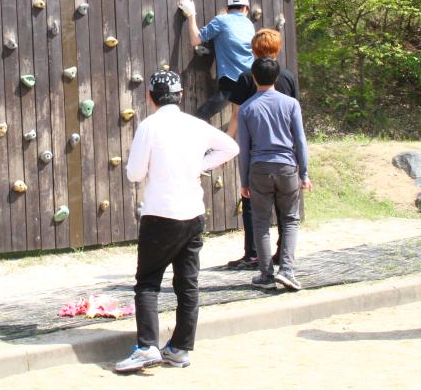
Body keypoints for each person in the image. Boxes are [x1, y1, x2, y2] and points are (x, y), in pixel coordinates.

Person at [115, 70, 239, 373]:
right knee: (188, 285)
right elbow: (231, 147)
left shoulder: (149, 126)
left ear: (150, 97)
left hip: (160, 214)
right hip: (193, 213)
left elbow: (135, 174)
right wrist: (200, 164)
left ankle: (147, 346)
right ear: (180, 96)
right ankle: (180, 348)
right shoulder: (196, 125)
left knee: (148, 283)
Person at [225, 28, 299, 270]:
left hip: (257, 153)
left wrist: (227, 142)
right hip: (285, 153)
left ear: (254, 49)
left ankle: (254, 254)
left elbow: (236, 114)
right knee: (286, 210)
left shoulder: (248, 76)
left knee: (252, 206)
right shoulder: (287, 77)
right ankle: (283, 256)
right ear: (277, 48)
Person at [237, 58, 312, 292]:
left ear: (254, 78)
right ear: (277, 77)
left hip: (259, 168)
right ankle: (287, 270)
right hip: (287, 166)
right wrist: (305, 173)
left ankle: (266, 275)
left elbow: (244, 148)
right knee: (290, 219)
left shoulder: (246, 108)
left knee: (260, 222)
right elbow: (300, 140)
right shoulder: (291, 104)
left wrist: (244, 181)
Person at [181, 0, 255, 121]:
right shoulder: (249, 24)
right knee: (239, 115)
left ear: (227, 8)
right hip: (250, 77)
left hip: (231, 79)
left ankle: (189, 129)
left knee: (202, 115)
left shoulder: (221, 21)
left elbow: (195, 40)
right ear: (245, 8)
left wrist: (191, 14)